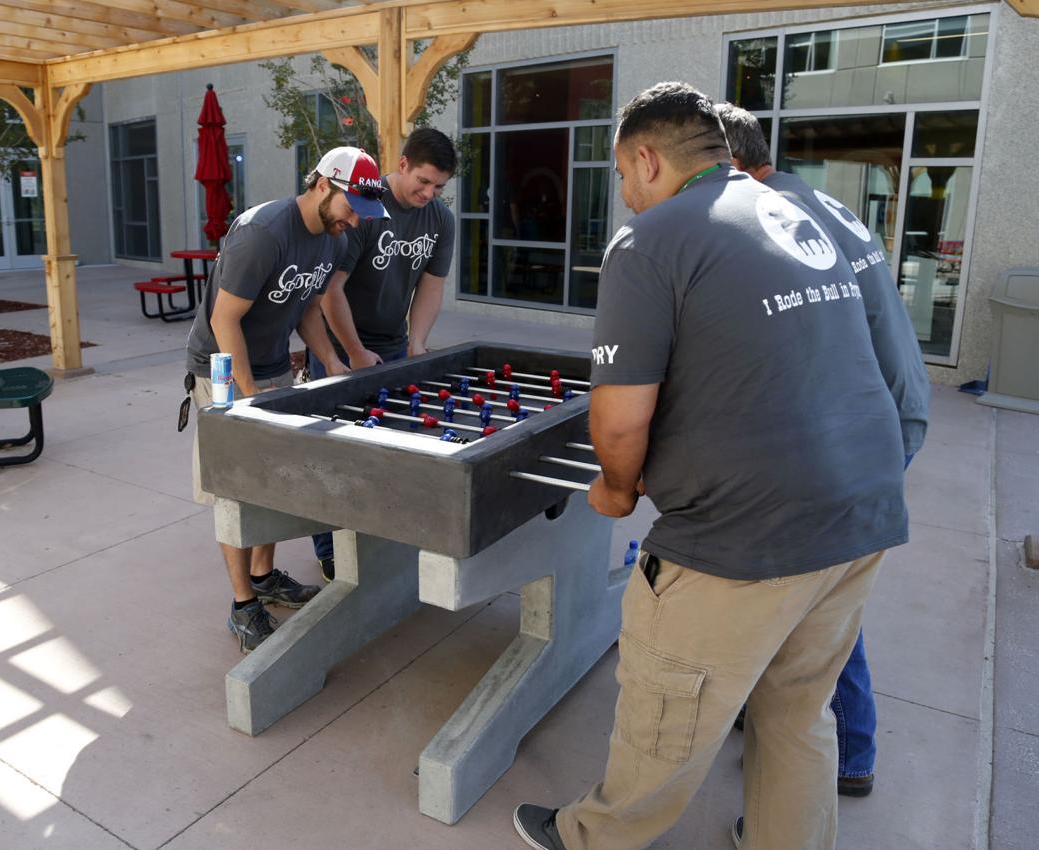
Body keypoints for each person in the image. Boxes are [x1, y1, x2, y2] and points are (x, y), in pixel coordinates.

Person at [512, 82, 908, 850]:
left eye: (623, 176)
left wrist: (618, 489)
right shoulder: (801, 212)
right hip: (864, 513)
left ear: (648, 159)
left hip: (743, 534)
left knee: (667, 703)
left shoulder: (652, 240)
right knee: (797, 711)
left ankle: (594, 837)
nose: (624, 195)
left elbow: (620, 414)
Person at [715, 101, 930, 803]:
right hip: (892, 409)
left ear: (732, 166)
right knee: (815, 588)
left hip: (869, 427)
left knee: (820, 597)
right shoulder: (811, 199)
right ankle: (770, 710)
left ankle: (853, 752)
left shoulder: (772, 219)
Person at [185, 146, 388, 652]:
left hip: (276, 365)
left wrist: (336, 363)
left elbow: (307, 309)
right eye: (351, 209)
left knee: (271, 482)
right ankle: (242, 606)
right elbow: (223, 319)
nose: (354, 223)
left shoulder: (332, 240)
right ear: (323, 184)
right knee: (236, 489)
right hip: (225, 370)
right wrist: (253, 400)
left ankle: (264, 575)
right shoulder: (264, 233)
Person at [307, 127, 457, 580]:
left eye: (439, 187)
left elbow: (431, 287)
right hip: (339, 346)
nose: (429, 194)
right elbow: (331, 293)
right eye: (424, 182)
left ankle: (378, 539)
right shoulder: (363, 207)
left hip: (392, 347)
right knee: (336, 454)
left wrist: (417, 345)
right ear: (403, 163)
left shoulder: (440, 221)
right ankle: (330, 548)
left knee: (390, 450)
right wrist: (352, 352)